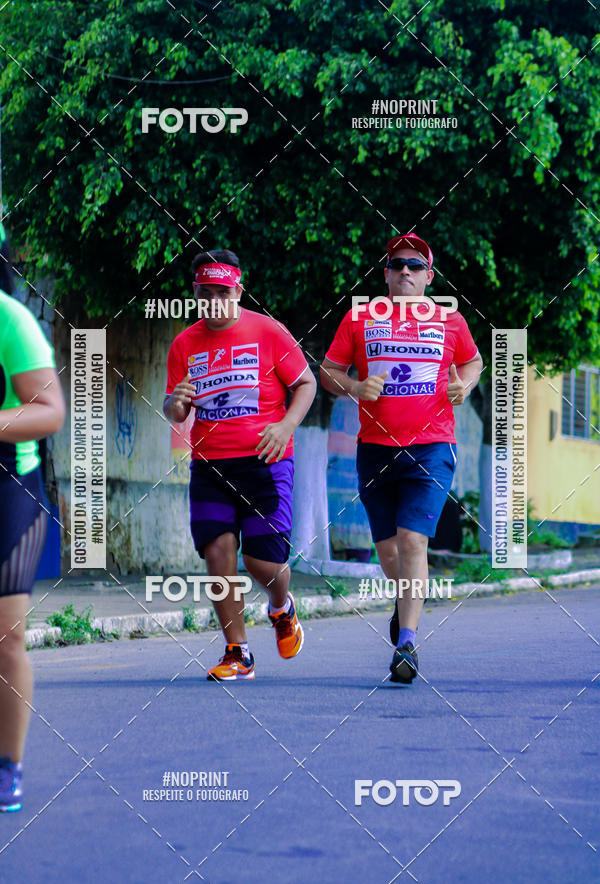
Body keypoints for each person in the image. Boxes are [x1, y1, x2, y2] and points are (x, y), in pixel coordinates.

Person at [321, 233, 482, 683]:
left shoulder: (450, 321)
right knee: (389, 552)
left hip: (432, 447)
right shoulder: (360, 318)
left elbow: (474, 362)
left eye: (414, 265)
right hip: (374, 449)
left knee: (413, 543)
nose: (405, 272)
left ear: (429, 277)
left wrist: (464, 385)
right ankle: (403, 603)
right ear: (386, 273)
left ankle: (407, 642)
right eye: (397, 265)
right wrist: (354, 387)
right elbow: (329, 370)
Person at [164, 249, 316, 681]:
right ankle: (238, 653)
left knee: (262, 564)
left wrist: (286, 426)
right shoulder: (184, 344)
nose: (213, 300)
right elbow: (174, 407)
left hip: (265, 462)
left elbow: (305, 383)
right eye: (204, 292)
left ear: (238, 290)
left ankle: (281, 607)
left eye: (222, 292)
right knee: (217, 554)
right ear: (195, 293)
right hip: (210, 465)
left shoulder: (267, 331)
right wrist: (175, 405)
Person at [0, 234, 65, 811]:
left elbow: (50, 411)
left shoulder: (11, 320)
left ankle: (8, 766)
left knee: (6, 636)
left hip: (7, 489)